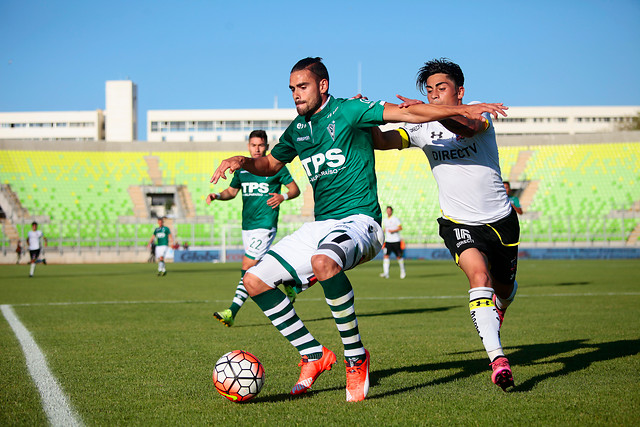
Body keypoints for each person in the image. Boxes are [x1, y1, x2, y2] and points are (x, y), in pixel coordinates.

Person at [211, 57, 506, 402]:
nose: (296, 94)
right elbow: (269, 164)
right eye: (292, 88)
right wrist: (241, 161)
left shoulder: (350, 109)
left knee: (324, 263)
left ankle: (355, 357)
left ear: (322, 86)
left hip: (361, 221)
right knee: (254, 281)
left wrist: (465, 109)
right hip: (321, 225)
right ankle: (313, 354)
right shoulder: (298, 129)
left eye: (302, 86)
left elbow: (408, 115)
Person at [371, 58, 518, 391]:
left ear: (460, 91)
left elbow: (464, 129)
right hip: (458, 223)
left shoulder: (479, 115)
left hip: (501, 222)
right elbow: (384, 142)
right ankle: (498, 361)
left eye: (441, 88)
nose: (434, 95)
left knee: (505, 289)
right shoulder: (420, 125)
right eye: (429, 91)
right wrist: (361, 121)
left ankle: (500, 309)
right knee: (478, 276)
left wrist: (425, 109)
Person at [206, 130, 301, 327]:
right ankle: (292, 282)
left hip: (265, 225)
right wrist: (217, 195)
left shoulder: (276, 167)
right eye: (253, 145)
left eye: (260, 145)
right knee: (260, 265)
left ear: (266, 146)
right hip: (247, 226)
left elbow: (295, 190)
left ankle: (232, 311)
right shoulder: (242, 170)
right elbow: (231, 192)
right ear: (248, 147)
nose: (257, 149)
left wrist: (282, 196)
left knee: (247, 266)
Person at [380, 206, 406, 279]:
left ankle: (403, 271)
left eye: (389, 210)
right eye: (387, 210)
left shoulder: (395, 219)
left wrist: (393, 230)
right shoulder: (385, 220)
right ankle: (386, 273)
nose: (388, 212)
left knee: (399, 256)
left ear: (391, 211)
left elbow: (400, 227)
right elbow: (385, 229)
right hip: (388, 241)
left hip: (396, 241)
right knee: (386, 256)